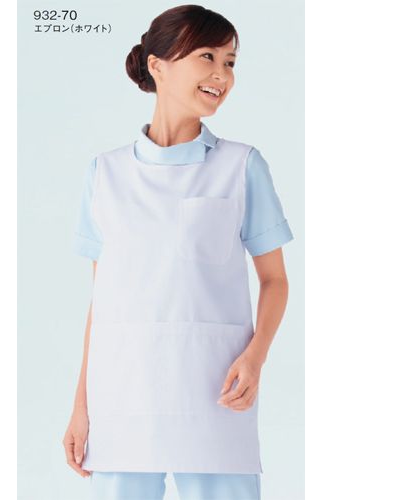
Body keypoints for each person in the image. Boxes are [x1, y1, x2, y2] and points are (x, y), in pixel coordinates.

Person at [63, 5, 294, 499]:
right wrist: (81, 407)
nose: (221, 74)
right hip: (122, 395)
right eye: (207, 56)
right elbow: (102, 301)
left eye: (230, 62)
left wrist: (255, 359)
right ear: (158, 66)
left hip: (215, 390)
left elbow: (275, 280)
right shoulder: (105, 173)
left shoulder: (241, 166)